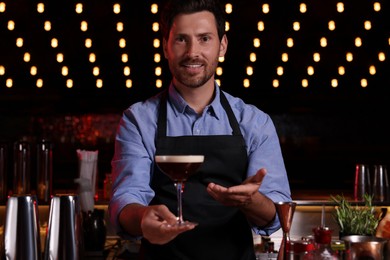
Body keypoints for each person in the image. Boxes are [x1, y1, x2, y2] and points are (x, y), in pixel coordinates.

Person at [109, 0, 291, 259]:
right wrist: (142, 219)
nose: (193, 52)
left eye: (204, 38)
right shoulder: (138, 120)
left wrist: (251, 200)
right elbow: (126, 198)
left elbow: (275, 216)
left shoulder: (254, 122)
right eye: (181, 39)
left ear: (222, 45)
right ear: (165, 46)